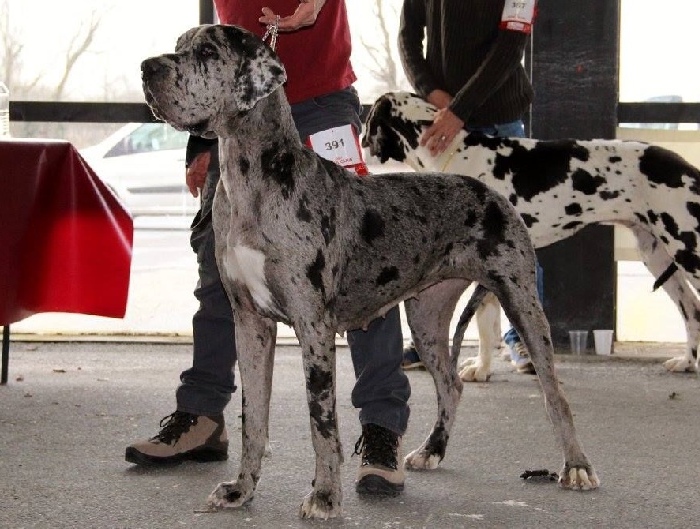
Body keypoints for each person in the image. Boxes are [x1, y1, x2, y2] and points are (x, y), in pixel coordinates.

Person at [126, 0, 410, 497]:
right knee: (221, 269)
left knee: (362, 261)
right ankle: (201, 413)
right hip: (230, 105)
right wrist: (200, 137)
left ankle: (381, 427)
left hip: (321, 99)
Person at [397, 0, 543, 375]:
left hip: (499, 126)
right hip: (443, 123)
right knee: (437, 241)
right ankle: (430, 337)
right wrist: (434, 96)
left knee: (516, 239)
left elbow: (510, 49)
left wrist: (460, 108)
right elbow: (407, 39)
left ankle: (525, 337)